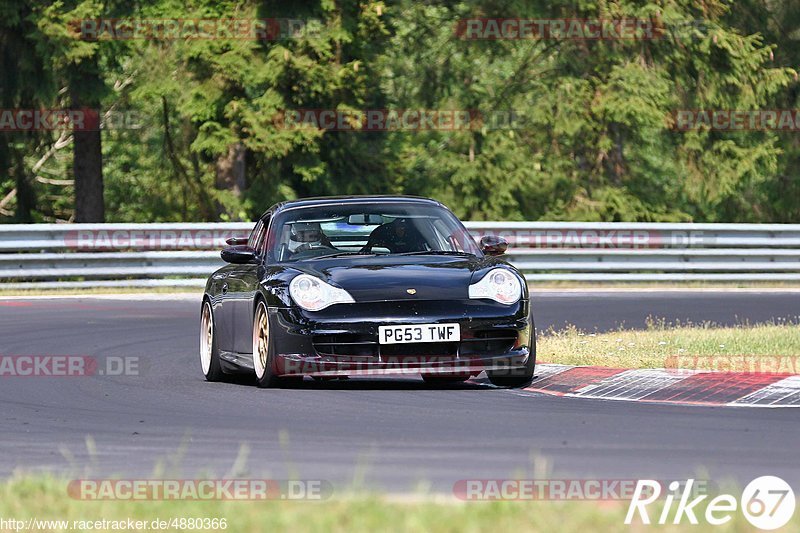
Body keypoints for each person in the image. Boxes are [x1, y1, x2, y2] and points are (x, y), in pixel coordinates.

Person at [361, 218, 428, 253]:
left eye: (404, 227)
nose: (402, 229)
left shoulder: (418, 237)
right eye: (399, 226)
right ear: (392, 228)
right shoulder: (381, 234)